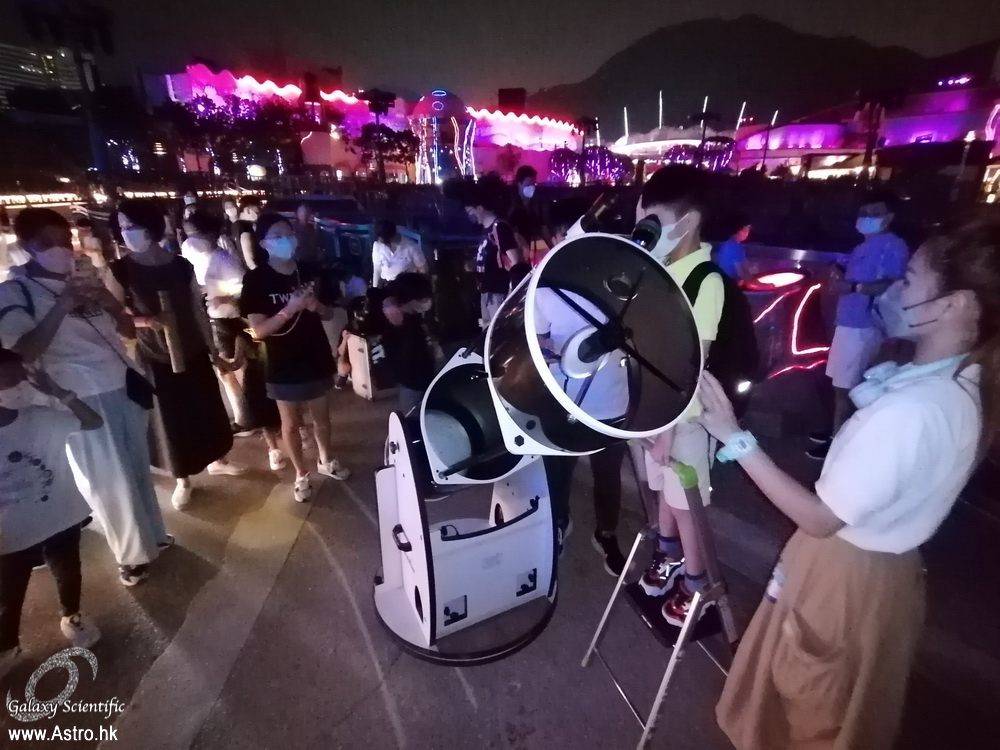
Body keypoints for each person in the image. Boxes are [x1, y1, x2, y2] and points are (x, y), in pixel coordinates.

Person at [707, 219, 997, 750]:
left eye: (908, 279)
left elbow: (820, 518)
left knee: (809, 713)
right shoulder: (957, 383)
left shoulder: (916, 410)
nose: (893, 290)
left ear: (954, 305)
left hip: (845, 576)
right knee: (822, 703)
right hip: (877, 571)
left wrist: (733, 435)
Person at [0, 208, 168, 587]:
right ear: (25, 245)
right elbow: (23, 352)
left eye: (64, 241)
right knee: (108, 480)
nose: (59, 250)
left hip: (121, 383)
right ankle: (132, 556)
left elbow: (127, 330)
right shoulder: (15, 292)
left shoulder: (84, 277)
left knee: (136, 470)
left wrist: (108, 301)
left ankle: (154, 536)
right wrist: (63, 303)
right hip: (78, 393)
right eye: (46, 243)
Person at [110, 199, 245, 510]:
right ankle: (183, 479)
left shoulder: (181, 265)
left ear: (151, 226)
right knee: (170, 421)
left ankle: (217, 459)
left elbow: (197, 310)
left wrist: (213, 350)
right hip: (156, 355)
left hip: (192, 348)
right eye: (123, 227)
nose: (127, 232)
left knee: (205, 409)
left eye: (132, 225)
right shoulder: (120, 270)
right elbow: (113, 317)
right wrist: (147, 321)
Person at [633, 165, 725, 626]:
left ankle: (696, 583)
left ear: (688, 222)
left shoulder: (704, 280)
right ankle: (669, 559)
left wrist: (667, 428)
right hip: (654, 414)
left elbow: (693, 364)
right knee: (665, 495)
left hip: (682, 419)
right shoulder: (663, 269)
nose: (647, 233)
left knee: (688, 506)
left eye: (654, 222)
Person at [533, 226, 630, 574]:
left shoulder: (622, 281)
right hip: (562, 400)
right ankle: (559, 522)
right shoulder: (544, 284)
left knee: (608, 476)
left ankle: (606, 534)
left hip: (613, 400)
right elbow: (539, 339)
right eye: (564, 235)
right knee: (557, 472)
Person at [0, 349, 103, 676]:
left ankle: (72, 616)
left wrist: (59, 392)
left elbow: (93, 421)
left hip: (60, 516)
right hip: (11, 530)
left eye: (20, 377)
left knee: (67, 570)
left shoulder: (39, 417)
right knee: (8, 589)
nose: (16, 385)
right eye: (7, 379)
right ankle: (6, 645)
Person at [240, 213, 350, 503]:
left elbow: (329, 313)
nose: (286, 240)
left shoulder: (309, 271)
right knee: (289, 423)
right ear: (264, 242)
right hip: (282, 359)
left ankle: (326, 460)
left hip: (315, 354)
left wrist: (315, 306)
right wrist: (289, 309)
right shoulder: (256, 280)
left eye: (288, 233)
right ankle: (301, 474)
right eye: (277, 235)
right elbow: (258, 330)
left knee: (321, 417)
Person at [809, 191, 909, 461]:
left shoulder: (893, 246)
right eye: (863, 212)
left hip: (864, 326)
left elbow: (893, 284)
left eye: (874, 213)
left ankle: (838, 444)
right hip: (849, 323)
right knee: (839, 383)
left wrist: (853, 287)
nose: (866, 218)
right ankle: (836, 432)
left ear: (889, 217)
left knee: (846, 387)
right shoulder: (863, 247)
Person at [181, 211, 284, 463]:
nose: (189, 240)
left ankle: (258, 421)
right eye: (187, 234)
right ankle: (246, 418)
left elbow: (243, 290)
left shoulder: (223, 259)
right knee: (231, 374)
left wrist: (223, 299)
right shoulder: (197, 258)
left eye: (194, 234)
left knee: (247, 375)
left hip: (234, 321)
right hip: (217, 320)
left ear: (209, 235)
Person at [464, 183, 521, 328]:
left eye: (470, 211)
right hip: (487, 292)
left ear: (480, 208)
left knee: (498, 331)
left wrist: (512, 292)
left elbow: (516, 262)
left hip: (498, 292)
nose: (469, 216)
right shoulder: (486, 229)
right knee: (488, 332)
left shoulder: (499, 228)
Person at [378, 272, 435, 413]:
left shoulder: (413, 316)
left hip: (419, 377)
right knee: (413, 416)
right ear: (410, 299)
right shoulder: (400, 321)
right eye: (422, 298)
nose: (427, 301)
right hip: (412, 380)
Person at [508, 165, 549, 266]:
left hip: (529, 254)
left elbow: (543, 229)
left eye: (534, 183)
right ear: (519, 184)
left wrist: (553, 248)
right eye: (529, 183)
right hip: (514, 255)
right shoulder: (511, 206)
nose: (532, 187)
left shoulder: (535, 205)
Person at [371, 219, 427, 288]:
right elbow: (377, 270)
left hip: (405, 286)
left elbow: (423, 270)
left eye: (383, 241)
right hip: (386, 286)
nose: (381, 243)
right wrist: (374, 289)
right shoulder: (377, 245)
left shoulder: (411, 247)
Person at [714, 212, 751, 280]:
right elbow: (742, 273)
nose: (748, 232)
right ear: (740, 230)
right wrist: (762, 284)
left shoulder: (726, 245)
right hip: (730, 284)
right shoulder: (736, 248)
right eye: (747, 229)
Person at [233, 196, 263, 271]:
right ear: (247, 210)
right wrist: (259, 274)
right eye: (257, 212)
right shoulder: (246, 228)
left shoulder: (235, 225)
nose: (259, 213)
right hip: (253, 272)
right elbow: (250, 261)